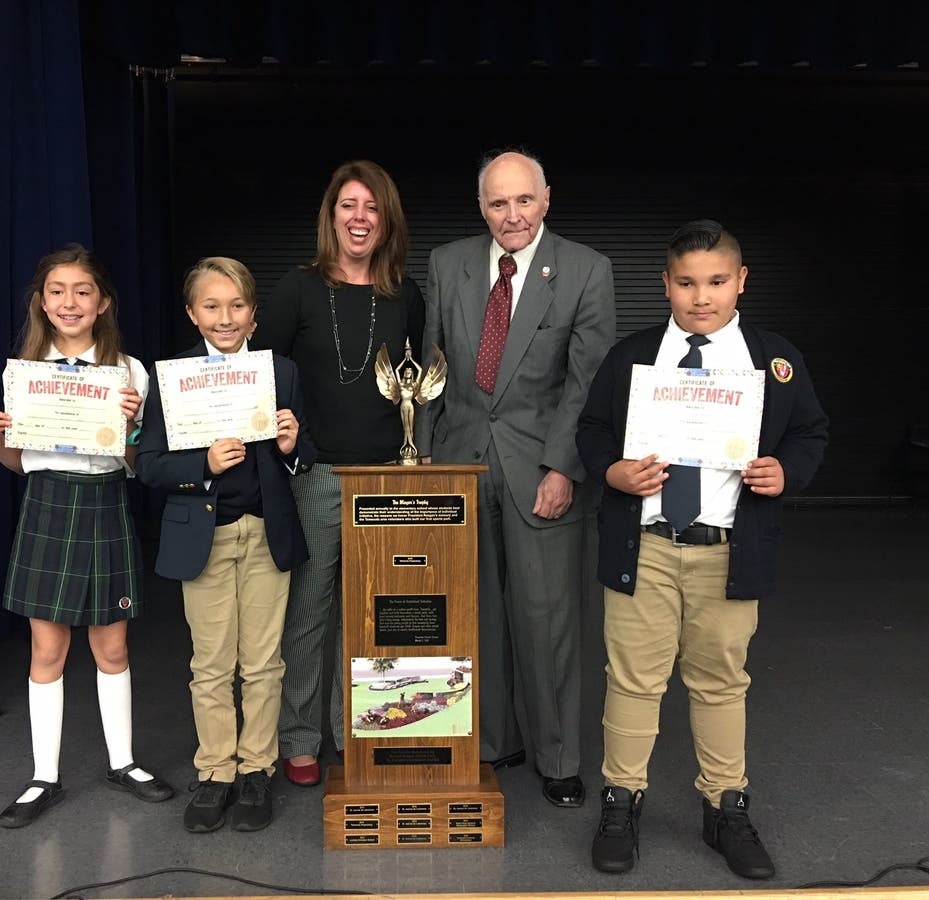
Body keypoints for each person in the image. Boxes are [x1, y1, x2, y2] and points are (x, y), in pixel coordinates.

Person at [575, 220, 828, 878]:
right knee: (633, 680)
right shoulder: (633, 357)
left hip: (728, 550)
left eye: (716, 281)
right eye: (686, 283)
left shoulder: (774, 360)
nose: (701, 296)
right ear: (666, 284)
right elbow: (593, 427)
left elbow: (810, 431)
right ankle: (621, 801)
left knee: (721, 682)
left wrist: (786, 471)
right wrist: (612, 471)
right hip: (646, 546)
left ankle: (726, 808)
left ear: (741, 281)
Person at [417, 149, 616, 808]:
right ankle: (493, 739)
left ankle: (558, 757)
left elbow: (587, 383)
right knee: (471, 611)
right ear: (482, 208)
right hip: (460, 464)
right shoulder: (447, 264)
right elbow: (432, 369)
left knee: (547, 619)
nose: (513, 215)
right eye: (498, 203)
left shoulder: (586, 269)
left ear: (546, 198)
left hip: (541, 469)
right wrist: (424, 460)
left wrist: (563, 467)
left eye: (524, 200)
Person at [0, 244, 174, 829]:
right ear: (42, 302)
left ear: (103, 302)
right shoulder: (24, 373)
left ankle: (123, 763)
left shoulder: (130, 372)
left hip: (106, 502)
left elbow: (138, 462)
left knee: (112, 648)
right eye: (57, 291)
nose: (70, 302)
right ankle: (44, 777)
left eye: (83, 291)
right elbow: (20, 463)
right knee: (47, 650)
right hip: (47, 504)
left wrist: (134, 426)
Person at [252, 160, 425, 787]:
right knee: (308, 613)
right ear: (331, 216)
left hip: (387, 479)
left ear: (387, 220)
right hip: (315, 476)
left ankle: (363, 729)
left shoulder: (406, 296)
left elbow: (418, 386)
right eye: (348, 205)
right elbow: (260, 376)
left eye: (372, 207)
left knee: (374, 614)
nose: (360, 217)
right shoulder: (298, 290)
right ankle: (299, 736)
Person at [136, 257, 315, 833]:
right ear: (192, 313)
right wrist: (203, 466)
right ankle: (216, 772)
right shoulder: (173, 378)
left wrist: (291, 447)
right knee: (211, 665)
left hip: (266, 533)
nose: (225, 317)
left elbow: (305, 454)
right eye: (212, 306)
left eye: (237, 305)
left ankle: (257, 769)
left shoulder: (280, 372)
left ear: (253, 313)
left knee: (263, 663)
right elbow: (149, 465)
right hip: (204, 536)